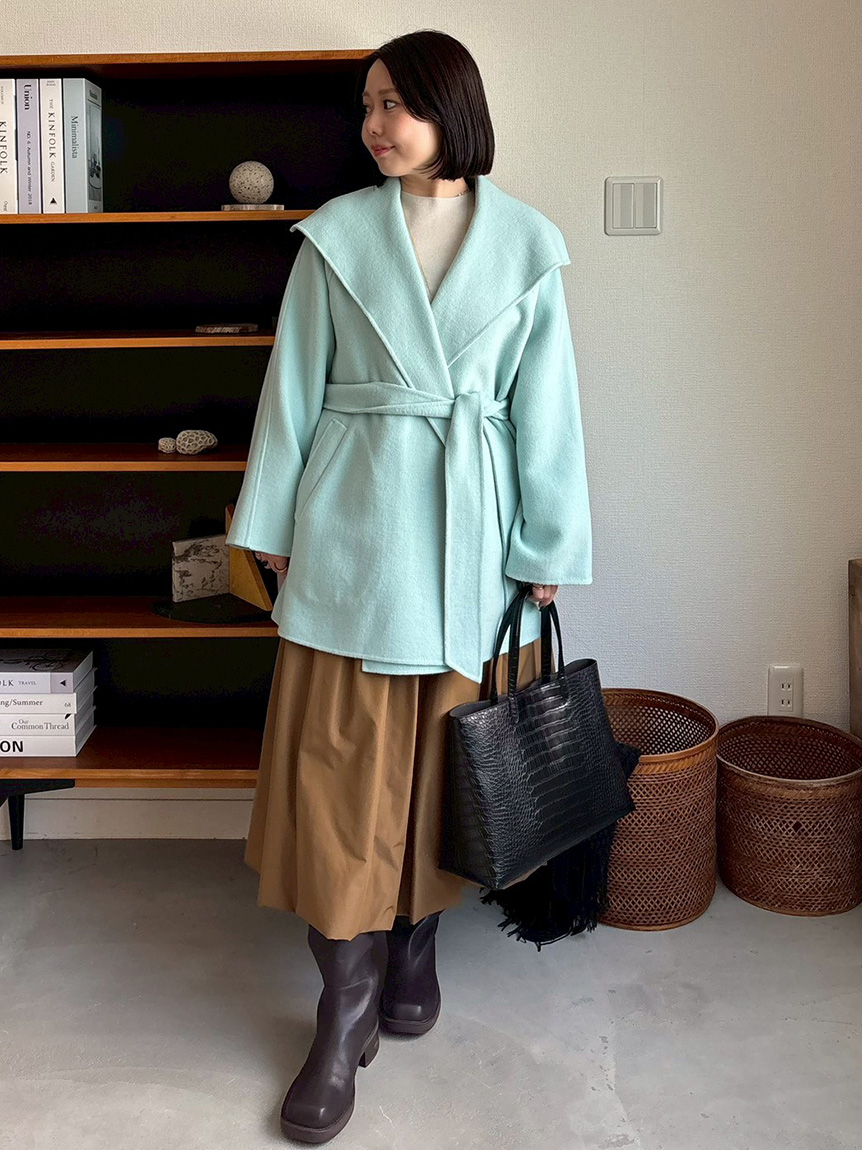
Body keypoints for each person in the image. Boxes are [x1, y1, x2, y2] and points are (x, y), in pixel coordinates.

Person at [225, 29, 592, 1144]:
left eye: (398, 103)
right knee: (337, 780)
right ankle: (342, 1013)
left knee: (448, 772)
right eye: (368, 104)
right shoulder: (334, 237)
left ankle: (416, 944)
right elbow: (291, 390)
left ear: (452, 109)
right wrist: (272, 527)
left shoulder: (527, 245)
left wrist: (545, 545)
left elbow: (548, 409)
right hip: (352, 530)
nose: (376, 124)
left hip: (471, 543)